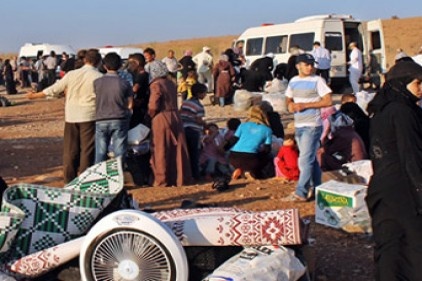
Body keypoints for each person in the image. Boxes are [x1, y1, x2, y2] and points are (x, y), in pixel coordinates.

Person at [365, 60, 422, 281]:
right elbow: (411, 155)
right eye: (418, 83)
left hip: (383, 188)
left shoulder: (382, 110)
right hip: (404, 190)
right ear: (402, 84)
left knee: (390, 247)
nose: (421, 89)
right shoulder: (403, 112)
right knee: (412, 247)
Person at [26, 49, 103, 183]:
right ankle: (84, 181)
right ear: (99, 62)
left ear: (85, 60)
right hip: (89, 116)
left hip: (71, 115)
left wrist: (35, 96)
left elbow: (55, 88)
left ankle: (69, 180)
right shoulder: (99, 77)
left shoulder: (72, 74)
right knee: (87, 150)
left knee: (70, 150)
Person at [284, 53, 332, 202]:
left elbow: (328, 100)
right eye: (306, 64)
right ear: (298, 66)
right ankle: (317, 188)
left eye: (311, 64)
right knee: (311, 159)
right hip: (299, 124)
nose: (310, 67)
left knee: (304, 160)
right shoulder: (293, 81)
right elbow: (288, 97)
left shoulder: (318, 80)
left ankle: (301, 192)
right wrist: (290, 105)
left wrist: (306, 105)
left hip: (312, 125)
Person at [147, 60, 192, 187]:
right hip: (175, 116)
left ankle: (162, 179)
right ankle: (181, 178)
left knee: (161, 148)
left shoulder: (156, 84)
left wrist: (150, 115)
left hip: (161, 117)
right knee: (178, 149)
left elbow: (154, 104)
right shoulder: (171, 83)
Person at [93, 52, 133, 164]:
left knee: (100, 151)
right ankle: (118, 176)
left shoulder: (97, 82)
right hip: (119, 118)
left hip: (101, 119)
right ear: (120, 65)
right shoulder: (125, 83)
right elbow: (130, 103)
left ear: (104, 65)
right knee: (119, 151)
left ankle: (99, 176)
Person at [229, 105, 273, 180]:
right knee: (267, 157)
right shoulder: (267, 129)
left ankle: (240, 169)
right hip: (251, 159)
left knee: (246, 158)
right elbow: (267, 149)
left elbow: (233, 141)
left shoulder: (242, 126)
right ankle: (252, 172)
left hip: (233, 157)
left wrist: (223, 149)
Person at [179, 83, 207, 181]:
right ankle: (196, 176)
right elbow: (198, 120)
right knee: (194, 154)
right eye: (204, 93)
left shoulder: (185, 102)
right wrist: (205, 124)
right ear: (199, 94)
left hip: (183, 129)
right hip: (194, 131)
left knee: (186, 153)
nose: (205, 95)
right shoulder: (199, 106)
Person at [127, 53, 150, 128]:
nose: (129, 65)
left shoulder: (142, 75)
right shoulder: (133, 74)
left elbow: (135, 89)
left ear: (137, 63)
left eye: (131, 63)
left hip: (140, 107)